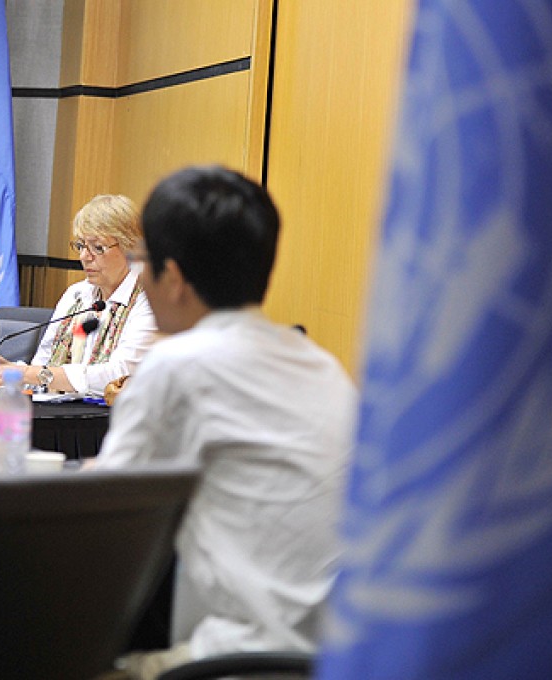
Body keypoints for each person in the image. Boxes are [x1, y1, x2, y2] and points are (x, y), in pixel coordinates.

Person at [91, 166, 358, 678]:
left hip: (233, 661)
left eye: (144, 262)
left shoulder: (177, 365)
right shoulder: (323, 366)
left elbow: (98, 525)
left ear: (172, 278)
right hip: (336, 658)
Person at [0, 194, 157, 395]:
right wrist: (4, 367)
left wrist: (27, 373)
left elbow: (119, 375)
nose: (84, 256)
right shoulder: (77, 295)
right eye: (81, 246)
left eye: (97, 248)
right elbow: (43, 368)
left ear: (130, 247)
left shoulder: (150, 300)